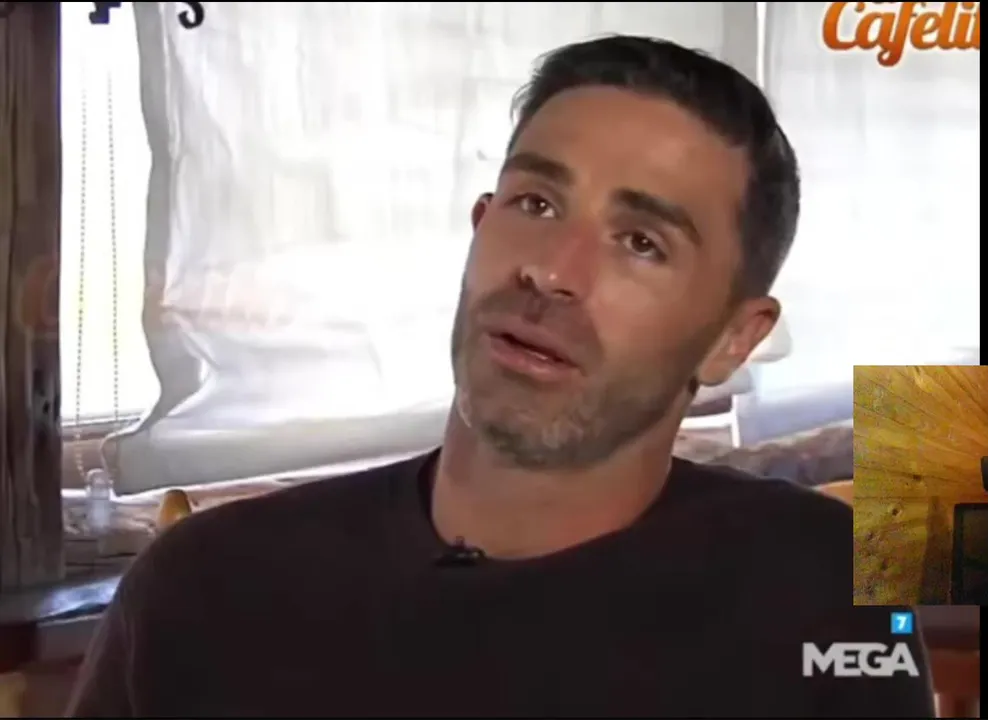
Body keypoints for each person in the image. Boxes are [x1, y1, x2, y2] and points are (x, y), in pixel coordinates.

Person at [67, 35, 935, 718]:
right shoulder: (206, 590)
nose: (551, 270)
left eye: (641, 243)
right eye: (536, 204)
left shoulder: (817, 590)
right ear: (481, 226)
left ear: (735, 340)